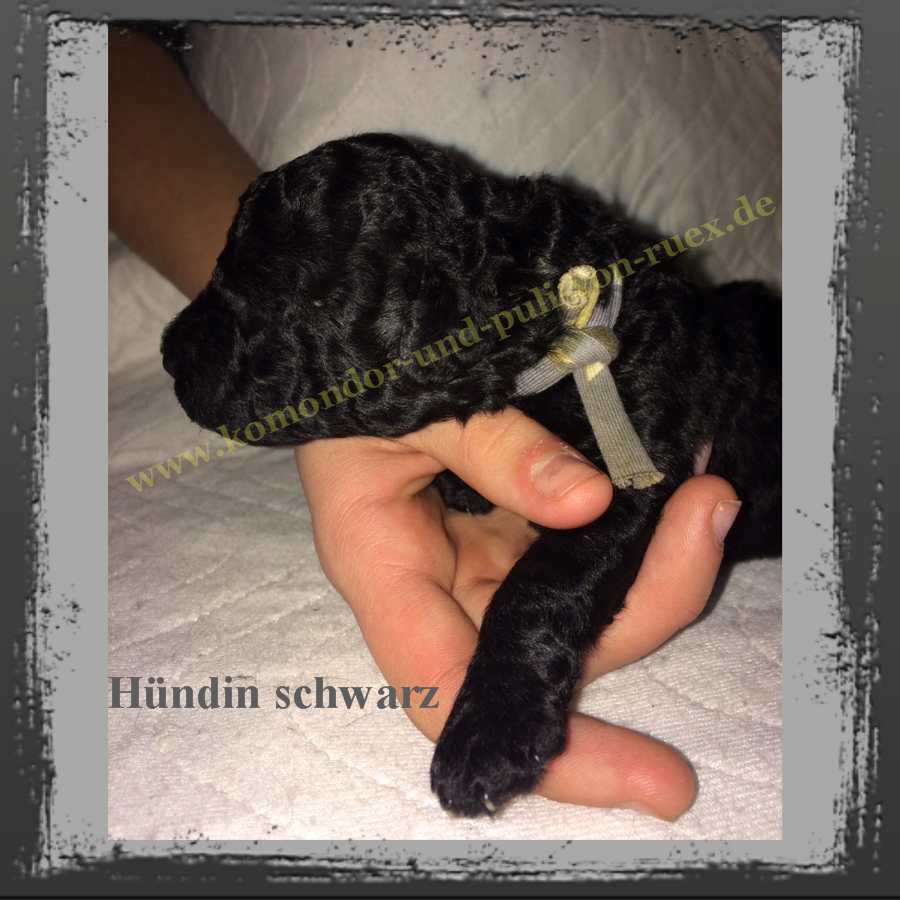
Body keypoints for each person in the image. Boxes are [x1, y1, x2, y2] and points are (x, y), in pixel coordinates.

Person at [109, 26, 742, 820]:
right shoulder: (476, 320)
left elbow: (627, 492)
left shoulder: (627, 361)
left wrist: (522, 659)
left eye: (278, 355)